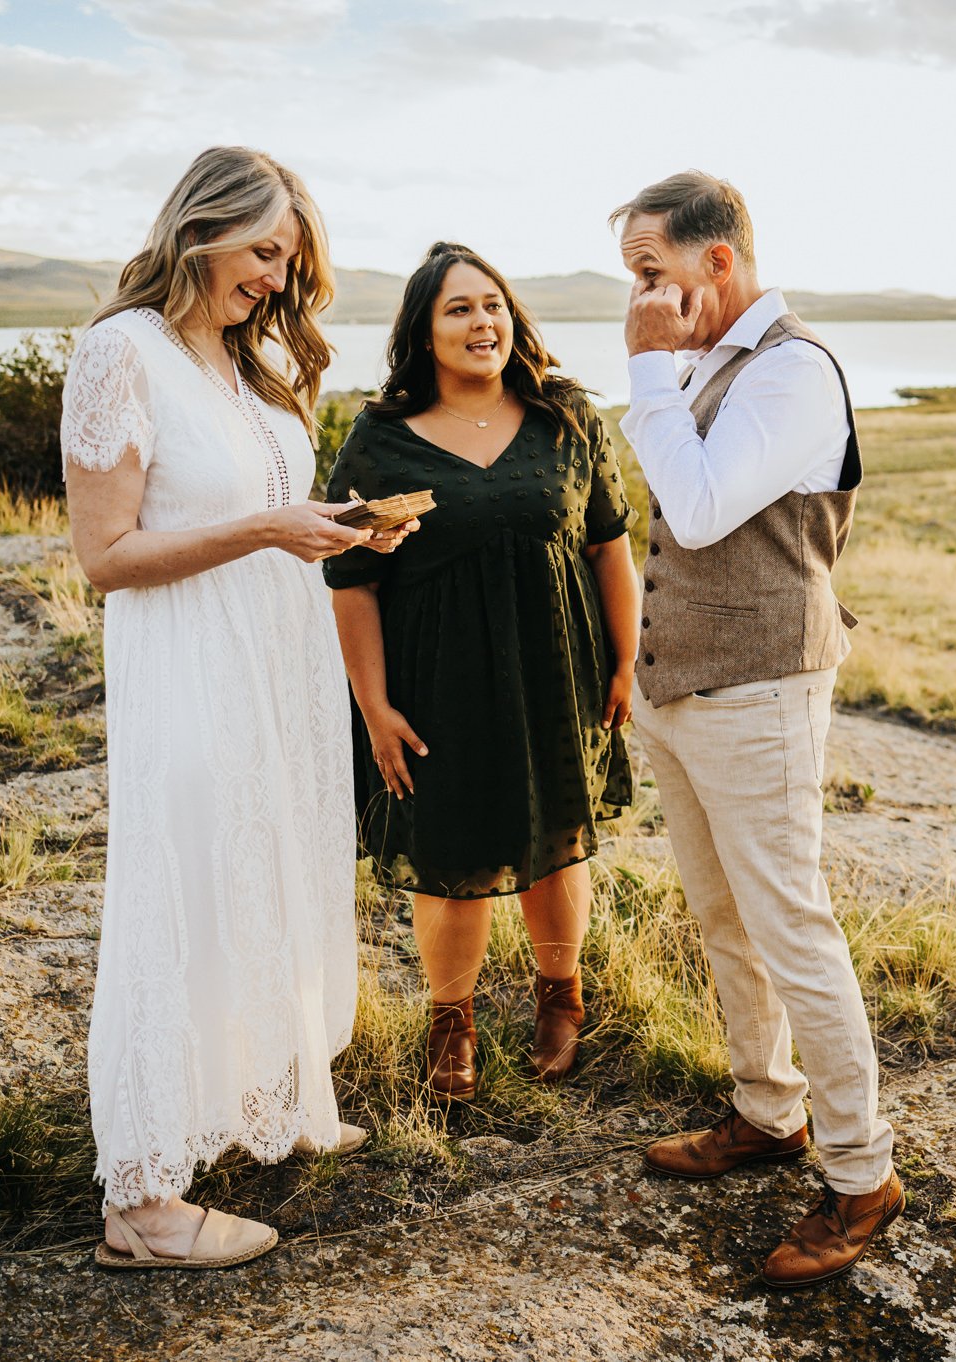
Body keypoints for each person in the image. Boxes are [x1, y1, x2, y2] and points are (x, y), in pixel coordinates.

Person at [62, 146, 407, 1270]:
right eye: (262, 251)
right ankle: (146, 1199)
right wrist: (270, 531)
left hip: (278, 667)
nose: (274, 275)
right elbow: (105, 556)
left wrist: (339, 523)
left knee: (269, 875)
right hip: (190, 671)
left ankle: (267, 1098)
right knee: (184, 893)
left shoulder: (244, 361)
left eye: (289, 258)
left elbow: (264, 505)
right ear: (198, 229)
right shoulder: (123, 354)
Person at [612, 171, 903, 1288]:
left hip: (760, 694)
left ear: (715, 263)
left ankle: (859, 1174)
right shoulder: (717, 366)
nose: (641, 294)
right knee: (721, 916)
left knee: (792, 927)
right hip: (683, 691)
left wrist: (642, 369)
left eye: (652, 272)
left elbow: (692, 508)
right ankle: (764, 1110)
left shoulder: (791, 375)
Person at [321, 242, 639, 1102]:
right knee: (451, 853)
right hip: (437, 681)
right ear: (423, 332)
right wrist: (375, 706)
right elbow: (352, 583)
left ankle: (559, 999)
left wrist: (625, 662)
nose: (481, 322)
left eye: (492, 304)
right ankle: (449, 1021)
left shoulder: (567, 417)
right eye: (458, 309)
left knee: (559, 841)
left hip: (558, 668)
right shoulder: (380, 439)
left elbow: (611, 548)